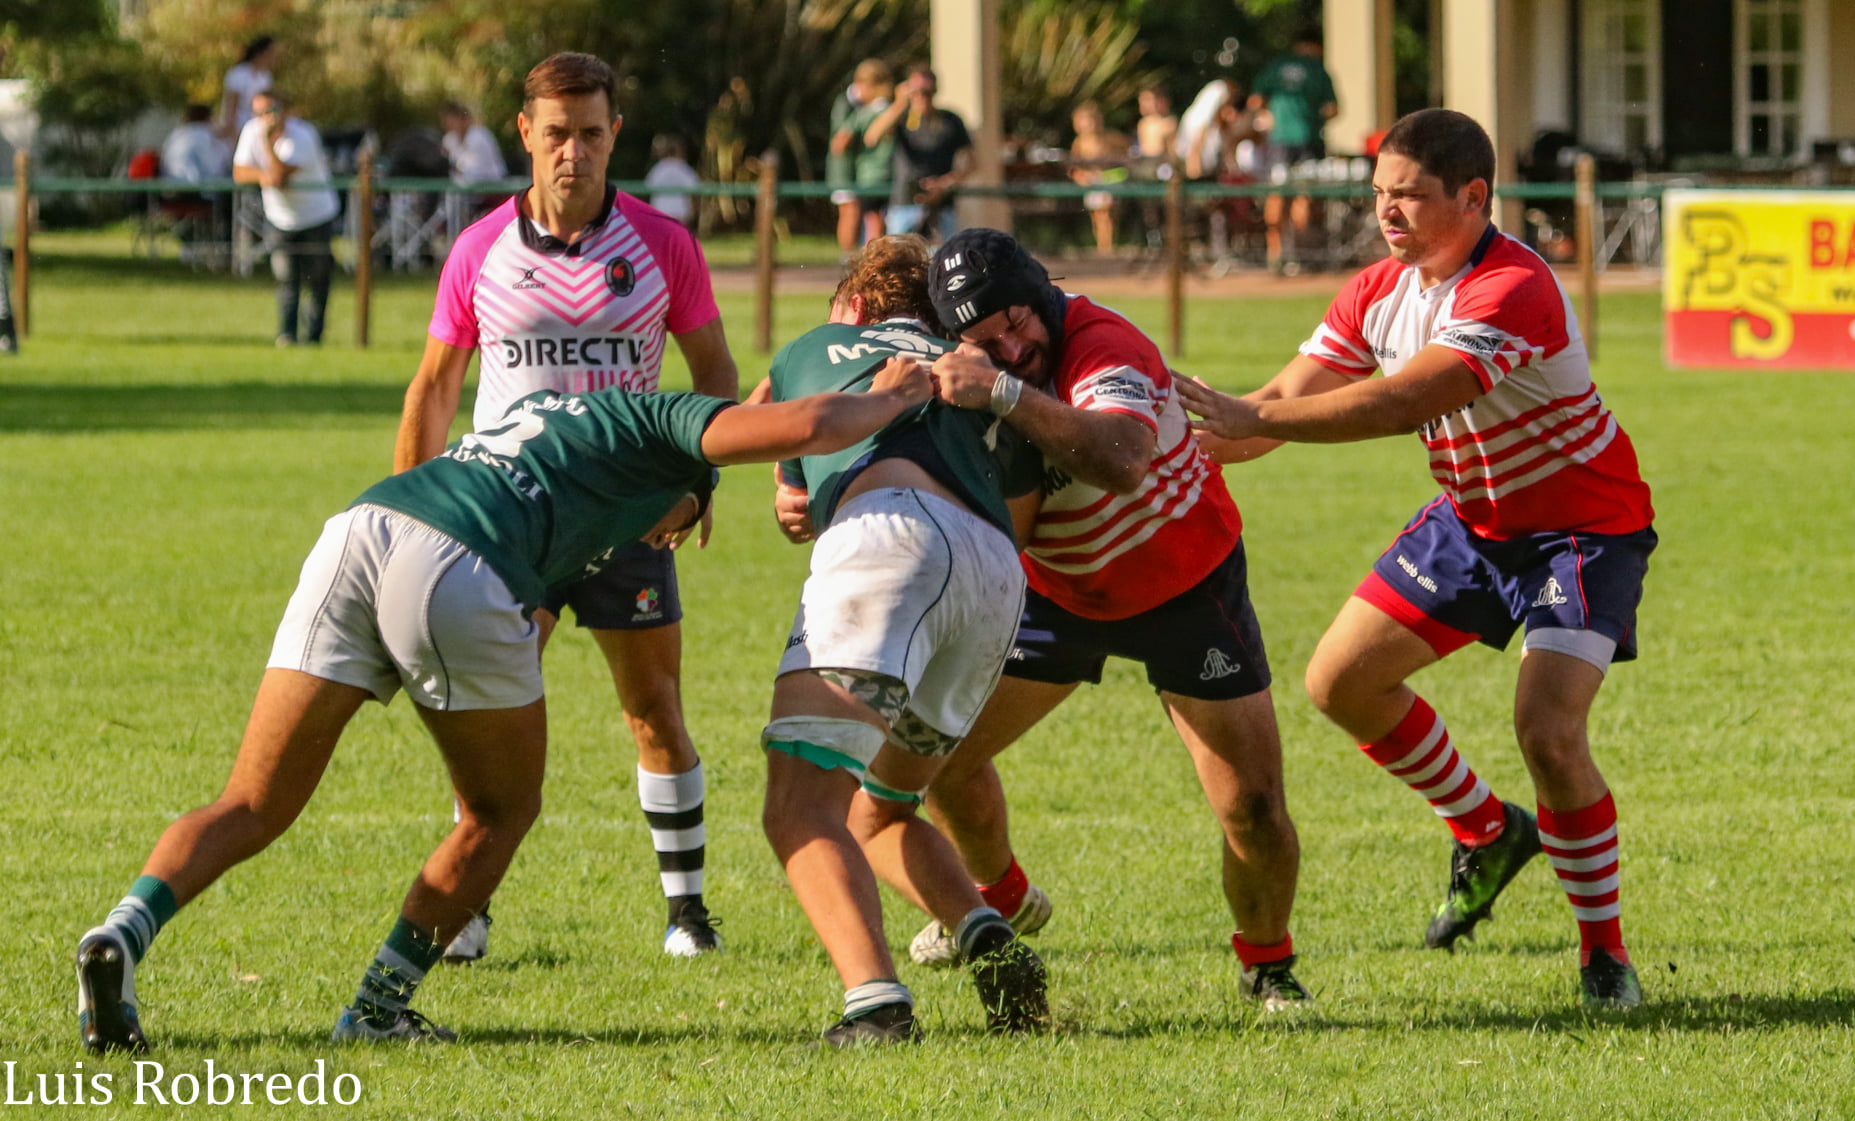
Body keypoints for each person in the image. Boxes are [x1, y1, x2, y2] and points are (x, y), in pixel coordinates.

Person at [71, 368, 934, 1054]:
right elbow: (804, 423)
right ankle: (377, 1007)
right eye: (679, 524)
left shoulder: (572, 451)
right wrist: (893, 393)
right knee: (502, 809)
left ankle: (121, 932)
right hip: (455, 559)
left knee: (253, 798)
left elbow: (533, 591)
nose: (665, 537)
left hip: (364, 525)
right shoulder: (664, 425)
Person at [1175, 109, 1655, 1010]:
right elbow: (1279, 398)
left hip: (1581, 529)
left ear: (1473, 198)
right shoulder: (1376, 290)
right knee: (1339, 682)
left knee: (1548, 733)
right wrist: (1159, 451)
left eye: (1408, 196)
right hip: (1472, 522)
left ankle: (1603, 957)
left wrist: (1257, 420)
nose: (1386, 212)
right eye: (1379, 195)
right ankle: (1484, 830)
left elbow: (1404, 401)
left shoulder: (1512, 285)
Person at [878, 228, 1311, 1009]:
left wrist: (1004, 394)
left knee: (1250, 804)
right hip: (1053, 595)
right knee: (937, 755)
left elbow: (1117, 460)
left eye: (1018, 318)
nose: (1014, 345)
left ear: (1040, 288)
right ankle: (999, 896)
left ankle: (1267, 964)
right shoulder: (960, 370)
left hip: (1184, 582)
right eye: (987, 340)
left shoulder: (1102, 343)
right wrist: (800, 484)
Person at [395, 51, 740, 963]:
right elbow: (433, 389)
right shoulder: (480, 249)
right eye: (556, 135)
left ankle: (688, 911)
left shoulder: (664, 245)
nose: (573, 154)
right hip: (512, 524)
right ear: (525, 134)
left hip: (628, 517)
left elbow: (714, 376)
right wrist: (410, 507)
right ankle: (464, 909)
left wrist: (694, 478)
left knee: (655, 708)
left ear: (613, 134)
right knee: (487, 718)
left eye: (591, 134)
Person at [759, 235, 1049, 1045]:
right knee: (878, 808)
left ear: (852, 307)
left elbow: (784, 482)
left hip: (888, 540)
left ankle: (876, 1004)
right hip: (994, 580)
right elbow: (1019, 514)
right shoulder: (979, 376)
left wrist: (797, 496)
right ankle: (985, 934)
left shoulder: (819, 344)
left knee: (799, 802)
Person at [232, 91, 338, 347]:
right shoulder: (251, 130)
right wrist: (261, 175)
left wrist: (268, 144)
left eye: (271, 110)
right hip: (280, 218)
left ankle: (314, 336)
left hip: (316, 215)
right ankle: (287, 335)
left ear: (287, 110)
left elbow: (279, 177)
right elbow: (239, 171)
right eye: (258, 113)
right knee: (286, 278)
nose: (265, 118)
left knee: (318, 279)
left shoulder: (302, 135)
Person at [1247, 30, 1339, 273]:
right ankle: (1299, 256)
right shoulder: (1319, 70)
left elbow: (1255, 101)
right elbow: (1332, 109)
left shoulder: (1276, 66)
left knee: (1277, 193)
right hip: (1308, 142)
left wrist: (1269, 116)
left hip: (1279, 142)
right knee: (1304, 194)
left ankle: (1274, 255)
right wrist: (1312, 117)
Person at [866, 66, 971, 243]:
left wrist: (944, 184)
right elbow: (872, 137)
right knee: (899, 260)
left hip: (942, 206)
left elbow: (972, 162)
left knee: (944, 260)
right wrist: (899, 103)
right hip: (904, 203)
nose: (921, 96)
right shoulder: (902, 118)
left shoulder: (950, 120)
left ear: (935, 91)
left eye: (927, 91)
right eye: (916, 91)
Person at [827, 59, 894, 254]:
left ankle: (867, 260)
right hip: (844, 170)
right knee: (850, 212)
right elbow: (839, 143)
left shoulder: (870, 106)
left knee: (871, 216)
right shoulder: (849, 103)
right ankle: (848, 259)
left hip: (863, 172)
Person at [1068, 102, 1130, 257]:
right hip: (1092, 183)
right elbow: (1073, 167)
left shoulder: (1111, 138)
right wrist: (1081, 176)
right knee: (1097, 216)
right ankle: (1102, 246)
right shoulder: (1079, 143)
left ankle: (1106, 248)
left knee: (1106, 213)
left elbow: (1128, 152)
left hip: (1109, 182)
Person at [218, 36, 276, 143]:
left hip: (255, 127)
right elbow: (232, 103)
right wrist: (231, 129)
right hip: (237, 126)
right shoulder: (239, 73)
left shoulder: (266, 76)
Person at [440, 102, 508, 185]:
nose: (449, 123)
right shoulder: (449, 139)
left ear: (465, 119)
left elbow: (476, 172)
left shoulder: (480, 137)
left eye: (454, 119)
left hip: (491, 187)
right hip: (463, 189)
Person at [643, 134, 701, 229]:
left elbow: (648, 186)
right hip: (680, 211)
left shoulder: (658, 168)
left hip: (660, 210)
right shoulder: (683, 168)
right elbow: (695, 186)